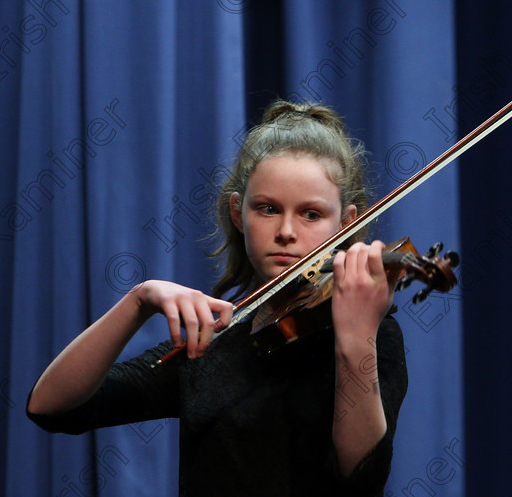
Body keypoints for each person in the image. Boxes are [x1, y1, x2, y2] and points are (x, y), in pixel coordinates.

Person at [26, 101, 408, 496]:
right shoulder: (217, 340)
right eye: (268, 209)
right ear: (238, 213)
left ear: (347, 224)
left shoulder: (376, 336)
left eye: (311, 214)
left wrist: (355, 336)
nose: (287, 232)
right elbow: (52, 407)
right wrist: (138, 301)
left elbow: (361, 482)